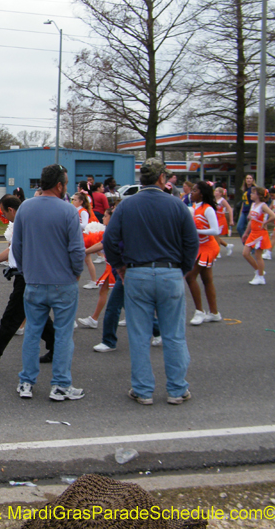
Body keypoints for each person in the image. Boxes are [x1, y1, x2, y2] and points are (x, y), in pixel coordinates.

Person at [103, 158, 198, 406]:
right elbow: (191, 243)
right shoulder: (177, 205)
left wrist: (120, 267)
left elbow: (110, 240)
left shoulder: (126, 205)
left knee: (139, 335)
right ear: (161, 178)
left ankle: (143, 389)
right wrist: (184, 269)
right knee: (174, 334)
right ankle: (177, 389)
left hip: (137, 272)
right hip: (170, 272)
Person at [12, 164, 85, 401]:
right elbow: (76, 249)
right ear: (60, 185)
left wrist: (26, 271)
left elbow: (18, 246)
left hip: (34, 282)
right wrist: (77, 272)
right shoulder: (68, 211)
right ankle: (61, 385)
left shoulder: (25, 208)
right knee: (63, 334)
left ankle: (26, 382)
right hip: (63, 282)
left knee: (33, 332)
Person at [0, 195, 55, 370]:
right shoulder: (22, 224)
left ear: (12, 210)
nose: (4, 217)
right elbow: (12, 249)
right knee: (38, 316)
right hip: (25, 276)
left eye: (4, 213)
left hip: (27, 277)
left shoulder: (28, 225)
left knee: (10, 319)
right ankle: (57, 348)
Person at [186, 182, 222, 325]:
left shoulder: (208, 209)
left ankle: (199, 311)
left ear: (201, 193)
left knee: (190, 277)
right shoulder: (195, 207)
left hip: (208, 247)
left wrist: (197, 232)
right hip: (199, 246)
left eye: (194, 190)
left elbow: (216, 230)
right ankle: (214, 313)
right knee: (207, 280)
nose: (191, 193)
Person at [241, 186, 275, 286]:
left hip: (260, 233)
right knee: (245, 253)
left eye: (253, 193)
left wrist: (265, 221)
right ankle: (258, 270)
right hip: (253, 232)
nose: (251, 195)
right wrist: (246, 233)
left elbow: (274, 216)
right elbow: (251, 221)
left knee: (258, 255)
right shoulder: (253, 205)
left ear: (258, 195)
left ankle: (260, 277)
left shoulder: (263, 206)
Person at [72, 192, 98, 290]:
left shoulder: (83, 211)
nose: (73, 201)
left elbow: (85, 224)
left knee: (87, 260)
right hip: (78, 236)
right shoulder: (75, 210)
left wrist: (74, 223)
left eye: (75, 200)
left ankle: (94, 281)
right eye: (73, 199)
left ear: (81, 201)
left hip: (83, 237)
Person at [214, 186, 234, 256]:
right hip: (215, 219)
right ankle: (227, 246)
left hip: (221, 219)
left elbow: (230, 209)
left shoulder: (222, 200)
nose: (215, 192)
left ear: (220, 193)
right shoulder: (214, 200)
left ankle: (217, 252)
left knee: (215, 235)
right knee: (214, 236)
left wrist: (231, 220)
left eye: (216, 191)